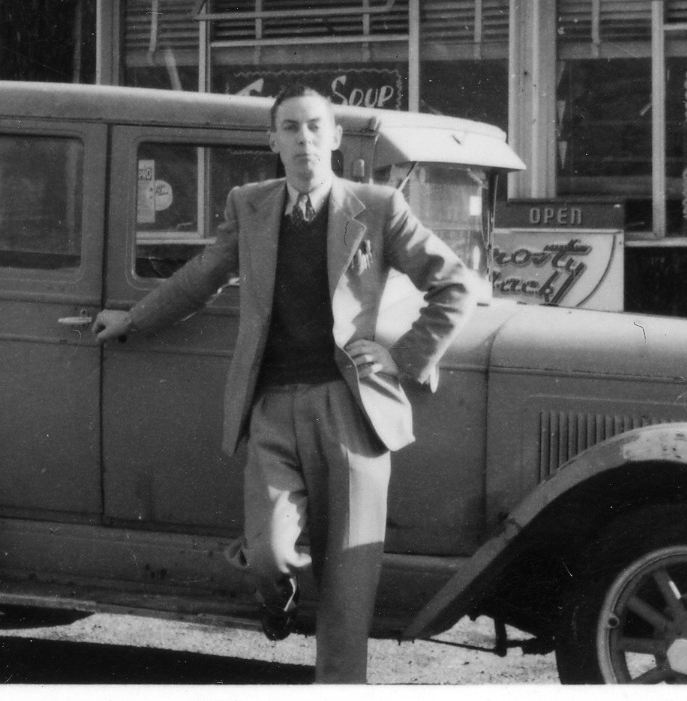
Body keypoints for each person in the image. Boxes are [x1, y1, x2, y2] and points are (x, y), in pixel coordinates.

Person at [93, 86, 475, 683]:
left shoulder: (378, 206)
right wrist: (133, 320)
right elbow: (201, 277)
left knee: (349, 591)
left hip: (352, 415)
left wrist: (402, 358)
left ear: (335, 137)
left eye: (315, 127)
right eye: (290, 129)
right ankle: (276, 602)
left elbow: (454, 285)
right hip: (271, 410)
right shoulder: (249, 205)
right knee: (269, 554)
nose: (304, 140)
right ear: (272, 140)